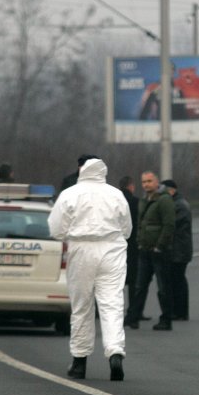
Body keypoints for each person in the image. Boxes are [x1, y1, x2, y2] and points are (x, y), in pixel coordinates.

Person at [49, 158, 131, 381]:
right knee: (112, 303)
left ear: (82, 172)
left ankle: (79, 361)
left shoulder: (69, 194)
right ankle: (115, 352)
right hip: (112, 249)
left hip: (81, 249)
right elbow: (127, 228)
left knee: (82, 306)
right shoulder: (116, 194)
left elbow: (56, 229)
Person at [124, 171, 175, 331]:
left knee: (163, 288)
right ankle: (133, 317)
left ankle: (166, 319)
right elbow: (141, 224)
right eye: (143, 182)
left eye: (149, 181)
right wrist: (140, 242)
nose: (146, 184)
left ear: (156, 182)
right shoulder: (144, 200)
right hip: (144, 250)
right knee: (139, 286)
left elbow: (169, 225)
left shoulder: (165, 200)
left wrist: (159, 246)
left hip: (159, 251)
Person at [162, 179, 192, 321]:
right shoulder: (178, 204)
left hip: (179, 250)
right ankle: (179, 311)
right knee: (176, 280)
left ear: (172, 190)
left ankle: (180, 312)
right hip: (178, 249)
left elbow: (171, 224)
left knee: (177, 280)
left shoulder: (180, 206)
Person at [118, 175, 141, 316]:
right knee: (133, 281)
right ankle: (133, 311)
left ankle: (114, 312)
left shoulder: (114, 201)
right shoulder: (136, 202)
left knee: (115, 281)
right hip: (133, 245)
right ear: (131, 186)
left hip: (115, 245)